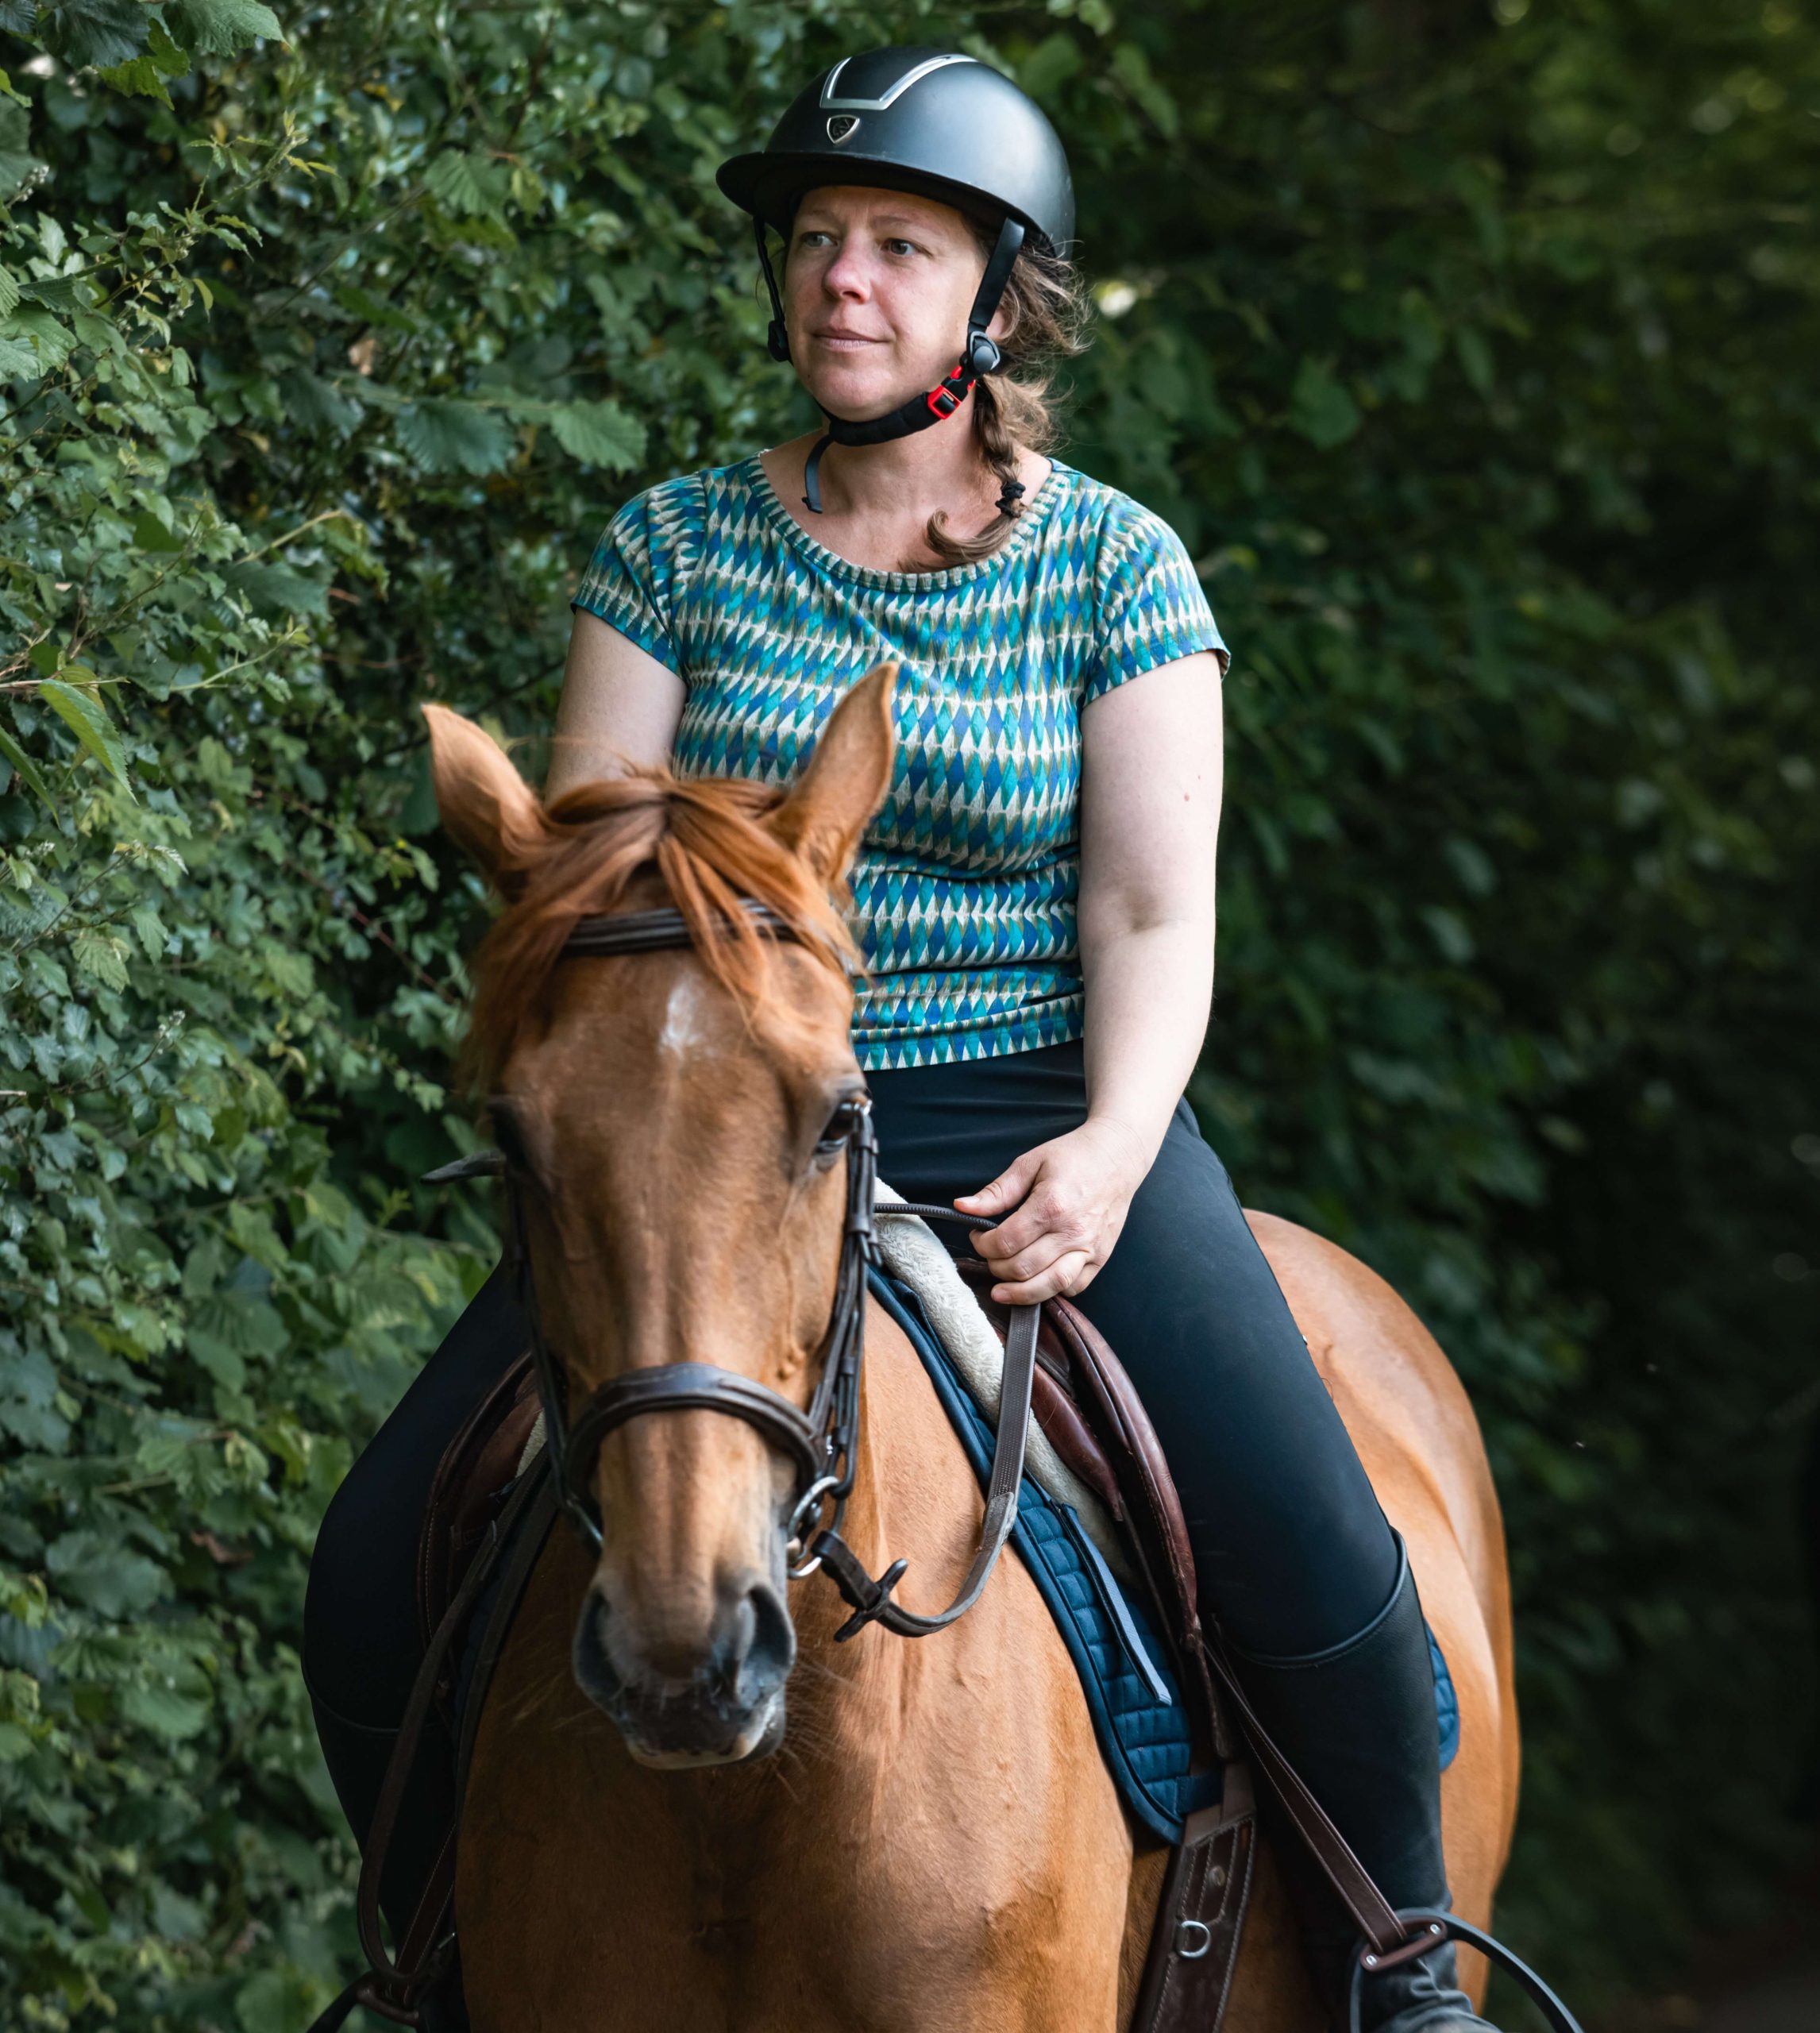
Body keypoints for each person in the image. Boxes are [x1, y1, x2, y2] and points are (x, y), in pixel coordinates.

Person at [305, 46, 1503, 2033]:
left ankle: (1403, 1968)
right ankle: (429, 1965)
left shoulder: (1116, 565)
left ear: (997, 299)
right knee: (374, 1560)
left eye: (897, 245)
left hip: (1036, 1105)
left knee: (1316, 1546)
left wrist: (1118, 1149)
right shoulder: (676, 544)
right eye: (815, 244)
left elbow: (1144, 908)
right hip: (707, 1125)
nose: (841, 279)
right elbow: (596, 877)